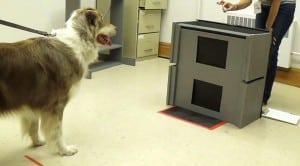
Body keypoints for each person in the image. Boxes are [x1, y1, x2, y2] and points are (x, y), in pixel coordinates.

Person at [217, 0, 296, 105]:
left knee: (271, 48)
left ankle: (263, 97)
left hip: (284, 6)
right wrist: (235, 6)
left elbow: (276, 2)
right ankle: (253, 91)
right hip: (263, 5)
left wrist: (268, 27)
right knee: (258, 47)